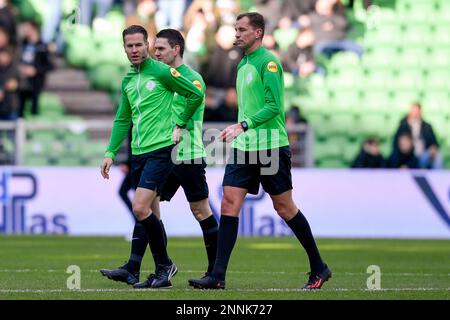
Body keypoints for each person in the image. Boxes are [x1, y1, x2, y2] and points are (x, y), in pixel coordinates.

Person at [188, 12, 331, 290]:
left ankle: (319, 266)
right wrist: (241, 130)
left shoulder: (270, 63)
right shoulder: (243, 64)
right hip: (244, 147)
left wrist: (243, 124)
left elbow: (274, 106)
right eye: (236, 29)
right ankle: (217, 276)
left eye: (242, 29)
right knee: (229, 202)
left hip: (270, 146)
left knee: (284, 207)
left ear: (258, 33)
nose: (237, 33)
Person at [106, 28, 219, 289]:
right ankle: (138, 266)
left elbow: (190, 106)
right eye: (154, 49)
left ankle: (215, 272)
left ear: (176, 49)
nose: (155, 53)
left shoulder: (189, 78)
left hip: (187, 153)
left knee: (199, 210)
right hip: (163, 152)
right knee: (148, 207)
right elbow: (130, 116)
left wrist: (178, 124)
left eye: (160, 49)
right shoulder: (147, 77)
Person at [18, 20, 53, 118]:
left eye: (27, 28)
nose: (25, 30)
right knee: (20, 109)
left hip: (36, 82)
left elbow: (49, 65)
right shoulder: (22, 44)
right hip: (22, 81)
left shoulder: (42, 46)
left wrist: (35, 70)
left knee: (34, 108)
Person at [393, 102, 443, 169]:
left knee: (437, 156)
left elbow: (434, 142)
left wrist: (433, 148)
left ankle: (437, 178)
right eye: (413, 111)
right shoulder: (403, 125)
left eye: (417, 111)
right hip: (409, 155)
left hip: (423, 154)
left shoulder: (427, 126)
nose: (415, 114)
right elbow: (396, 143)